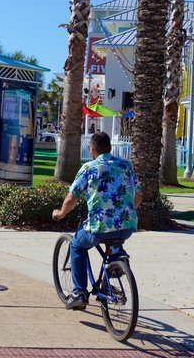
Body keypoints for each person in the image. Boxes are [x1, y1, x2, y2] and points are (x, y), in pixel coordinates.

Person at [52, 132, 140, 310]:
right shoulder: (126, 166)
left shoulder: (89, 168)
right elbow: (138, 195)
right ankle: (116, 262)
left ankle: (79, 293)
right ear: (110, 148)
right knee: (114, 240)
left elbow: (72, 198)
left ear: (92, 150)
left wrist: (61, 213)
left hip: (99, 226)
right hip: (127, 225)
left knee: (77, 245)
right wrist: (125, 214)